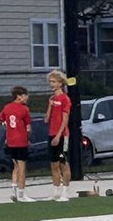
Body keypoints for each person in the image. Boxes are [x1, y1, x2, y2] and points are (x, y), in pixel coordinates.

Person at [0, 85, 35, 202]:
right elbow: (28, 128)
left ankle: (13, 191)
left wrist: (6, 126)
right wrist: (28, 138)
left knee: (15, 166)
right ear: (18, 96)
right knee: (22, 167)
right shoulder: (24, 109)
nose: (26, 98)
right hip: (21, 141)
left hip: (10, 141)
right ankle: (22, 194)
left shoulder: (7, 107)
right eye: (24, 96)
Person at [45, 69, 72, 202]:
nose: (51, 84)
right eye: (50, 81)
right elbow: (46, 119)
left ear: (60, 83)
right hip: (51, 133)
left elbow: (65, 119)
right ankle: (56, 192)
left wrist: (58, 135)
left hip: (62, 135)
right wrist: (49, 106)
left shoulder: (65, 99)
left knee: (63, 163)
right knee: (53, 164)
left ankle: (65, 192)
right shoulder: (53, 99)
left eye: (54, 81)